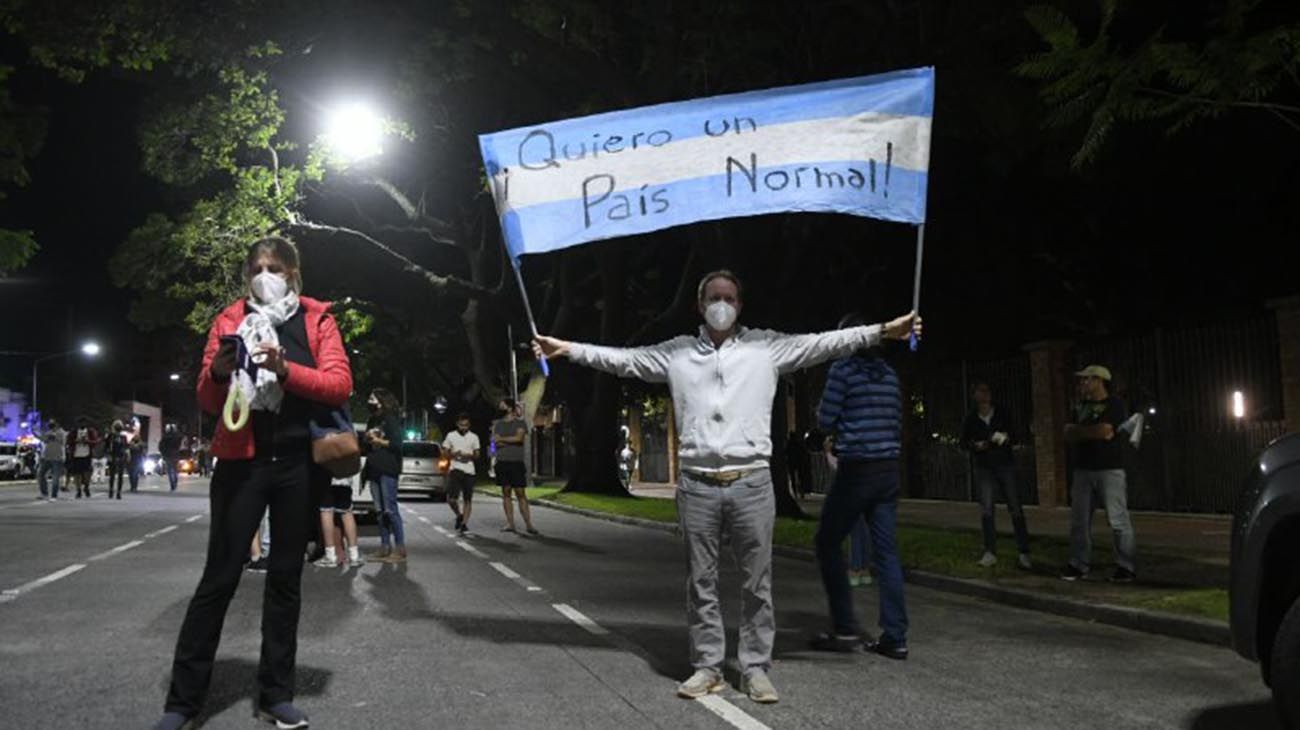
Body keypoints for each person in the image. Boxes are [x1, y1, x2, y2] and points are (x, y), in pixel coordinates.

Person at [533, 270, 920, 704]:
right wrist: (566, 349)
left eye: (730, 297)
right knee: (702, 583)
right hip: (697, 487)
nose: (722, 303)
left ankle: (755, 668)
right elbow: (624, 359)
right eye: (714, 297)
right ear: (700, 305)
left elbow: (823, 343)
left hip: (752, 484)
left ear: (740, 305)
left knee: (758, 585)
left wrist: (884, 331)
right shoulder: (677, 354)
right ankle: (708, 667)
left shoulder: (765, 348)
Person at [153, 235, 351, 730]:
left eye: (276, 267)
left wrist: (287, 370)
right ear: (248, 275)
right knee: (218, 577)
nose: (267, 274)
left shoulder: (317, 319)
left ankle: (276, 695)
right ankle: (182, 703)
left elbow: (339, 384)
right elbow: (205, 398)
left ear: (294, 273)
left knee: (285, 580)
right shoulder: (228, 319)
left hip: (297, 465)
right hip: (241, 461)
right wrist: (218, 373)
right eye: (258, 267)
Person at [808, 319, 909, 660]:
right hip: (888, 469)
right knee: (886, 552)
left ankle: (845, 627)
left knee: (827, 541)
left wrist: (823, 414)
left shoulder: (843, 371)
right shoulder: (890, 375)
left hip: (857, 469)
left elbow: (826, 420)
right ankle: (895, 636)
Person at [1061, 365, 1138, 583]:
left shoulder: (1114, 404)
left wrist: (1079, 432)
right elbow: (1068, 433)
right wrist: (1087, 432)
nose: (1082, 384)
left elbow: (1105, 432)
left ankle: (1126, 566)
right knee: (1079, 521)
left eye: (1086, 380)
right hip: (1082, 469)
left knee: (1118, 519)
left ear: (1099, 381)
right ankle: (1078, 564)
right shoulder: (1080, 405)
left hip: (1109, 469)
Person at [961, 382, 1032, 569]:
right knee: (986, 509)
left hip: (1004, 463)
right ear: (974, 395)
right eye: (980, 391)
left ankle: (1024, 551)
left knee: (1015, 507)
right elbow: (963, 442)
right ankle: (990, 551)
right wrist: (975, 446)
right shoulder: (971, 419)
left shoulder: (1002, 413)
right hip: (984, 466)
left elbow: (1015, 434)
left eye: (987, 391)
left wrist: (1005, 438)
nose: (985, 395)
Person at [363, 388, 406, 562]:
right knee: (380, 511)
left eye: (372, 398)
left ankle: (400, 548)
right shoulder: (373, 419)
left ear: (381, 400)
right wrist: (367, 438)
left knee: (390, 509)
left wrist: (380, 441)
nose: (369, 401)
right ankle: (384, 546)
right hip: (374, 467)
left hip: (388, 468)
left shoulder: (390, 420)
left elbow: (397, 444)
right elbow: (366, 443)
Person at [493, 398, 537, 534]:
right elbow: (496, 442)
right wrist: (508, 440)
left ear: (510, 408)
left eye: (502, 405)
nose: (500, 407)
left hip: (516, 462)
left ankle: (529, 524)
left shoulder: (520, 422)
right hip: (502, 462)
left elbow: (519, 438)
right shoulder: (498, 424)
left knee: (520, 493)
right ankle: (510, 523)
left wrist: (503, 439)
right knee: (506, 492)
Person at [442, 413, 481, 534]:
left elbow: (477, 455)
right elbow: (445, 453)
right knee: (451, 499)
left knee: (467, 499)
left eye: (466, 425)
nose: (464, 428)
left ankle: (464, 524)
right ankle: (459, 515)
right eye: (461, 425)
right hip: (455, 469)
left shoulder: (474, 437)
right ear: (457, 424)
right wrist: (454, 454)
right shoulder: (451, 436)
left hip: (469, 470)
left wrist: (469, 455)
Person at [67, 416, 99, 499]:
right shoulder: (74, 432)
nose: (82, 424)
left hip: (87, 455)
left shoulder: (90, 431)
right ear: (78, 424)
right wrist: (76, 441)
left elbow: (95, 442)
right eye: (80, 423)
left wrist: (87, 441)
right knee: (77, 474)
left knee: (87, 473)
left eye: (84, 423)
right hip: (76, 455)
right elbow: (68, 441)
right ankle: (78, 490)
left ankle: (86, 487)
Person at [37, 419, 68, 501]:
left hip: (57, 458)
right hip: (46, 457)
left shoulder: (62, 432)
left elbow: (63, 442)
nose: (50, 425)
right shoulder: (49, 432)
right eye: (50, 424)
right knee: (41, 474)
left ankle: (54, 495)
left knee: (55, 478)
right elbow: (44, 440)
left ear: (57, 425)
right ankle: (44, 493)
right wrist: (35, 434)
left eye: (52, 424)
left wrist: (55, 436)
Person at [106, 420, 129, 500]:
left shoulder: (123, 437)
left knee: (120, 476)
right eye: (117, 426)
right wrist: (108, 456)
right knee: (112, 475)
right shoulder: (110, 436)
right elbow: (107, 447)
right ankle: (111, 490)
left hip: (121, 457)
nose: (118, 428)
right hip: (113, 456)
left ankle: (119, 492)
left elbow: (126, 447)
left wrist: (127, 455)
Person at [159, 424, 183, 492]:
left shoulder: (165, 437)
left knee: (169, 470)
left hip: (168, 455)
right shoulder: (177, 437)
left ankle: (172, 484)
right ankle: (175, 482)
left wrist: (163, 453)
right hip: (175, 455)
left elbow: (161, 446)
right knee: (175, 470)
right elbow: (179, 445)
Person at [127, 425, 146, 493]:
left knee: (134, 474)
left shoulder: (140, 444)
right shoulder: (131, 444)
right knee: (132, 474)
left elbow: (143, 453)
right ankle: (133, 487)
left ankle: (134, 487)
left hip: (136, 461)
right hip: (133, 460)